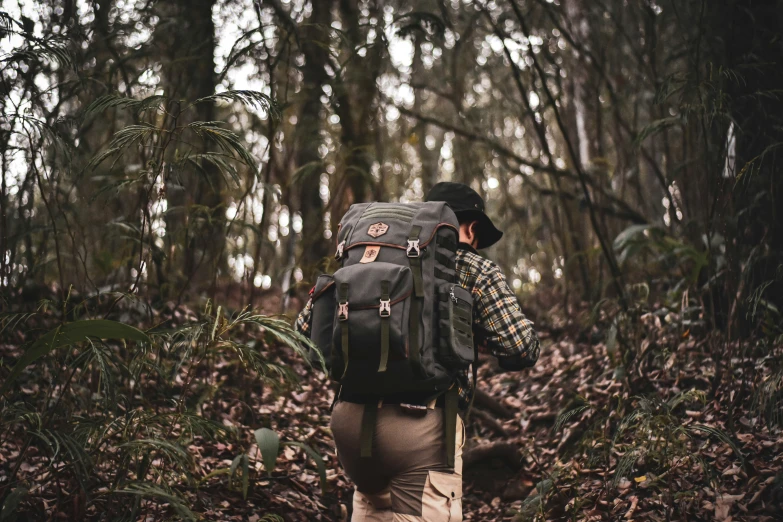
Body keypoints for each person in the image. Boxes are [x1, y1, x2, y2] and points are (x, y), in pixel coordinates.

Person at [295, 181, 540, 521]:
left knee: (373, 508)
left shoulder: (361, 259)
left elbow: (303, 332)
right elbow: (521, 346)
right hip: (421, 429)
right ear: (471, 227)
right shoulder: (475, 268)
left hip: (351, 426)